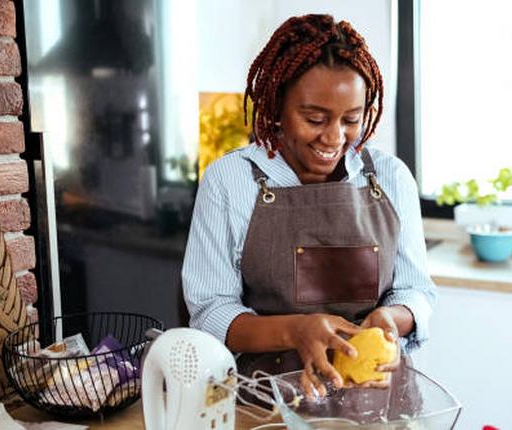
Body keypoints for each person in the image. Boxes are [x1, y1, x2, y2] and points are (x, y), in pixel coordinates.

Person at [182, 14, 436, 397]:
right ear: (276, 107)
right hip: (268, 401)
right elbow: (210, 313)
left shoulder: (390, 177)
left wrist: (392, 318)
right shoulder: (229, 182)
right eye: (315, 118)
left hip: (376, 398)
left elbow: (415, 291)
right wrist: (293, 331)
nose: (334, 138)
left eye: (352, 119)